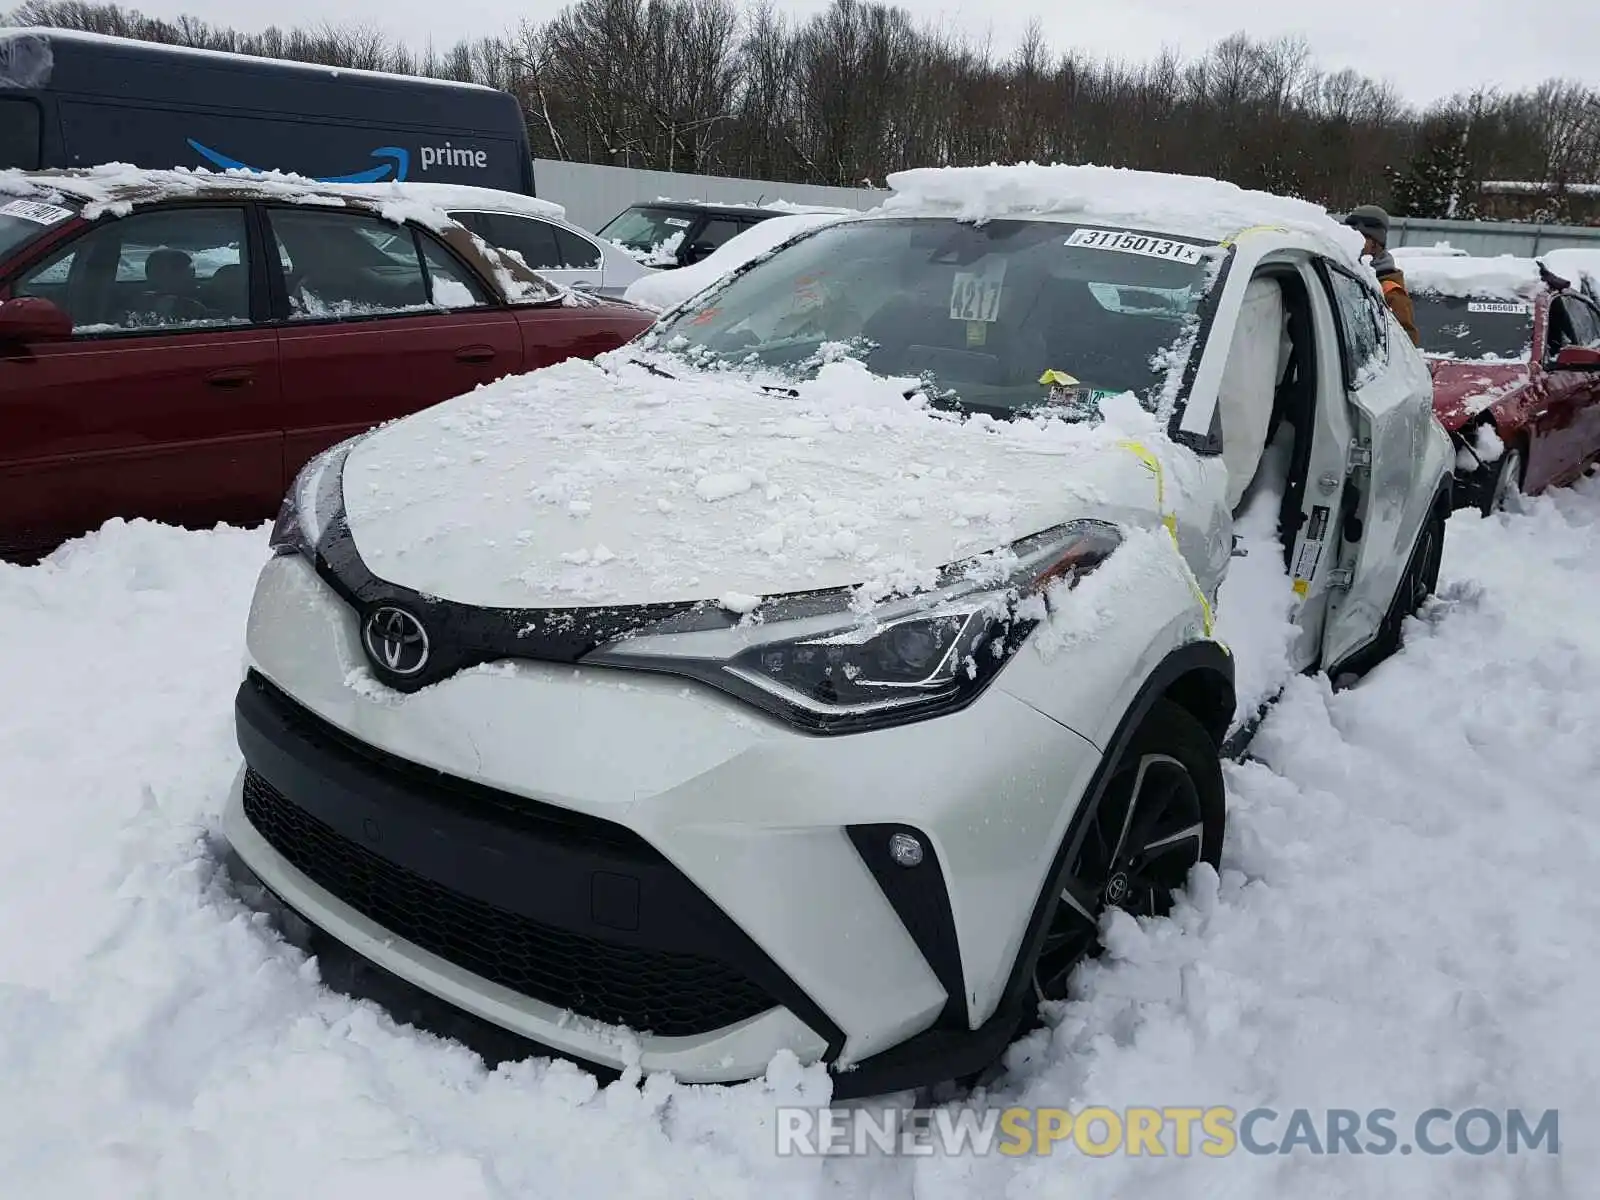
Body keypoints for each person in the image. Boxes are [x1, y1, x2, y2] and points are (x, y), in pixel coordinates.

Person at [1343, 205, 1420, 347]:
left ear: (1376, 245)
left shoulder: (1390, 292)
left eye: (1361, 237)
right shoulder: (1343, 273)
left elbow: (1405, 347)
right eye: (1350, 235)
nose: (1353, 241)